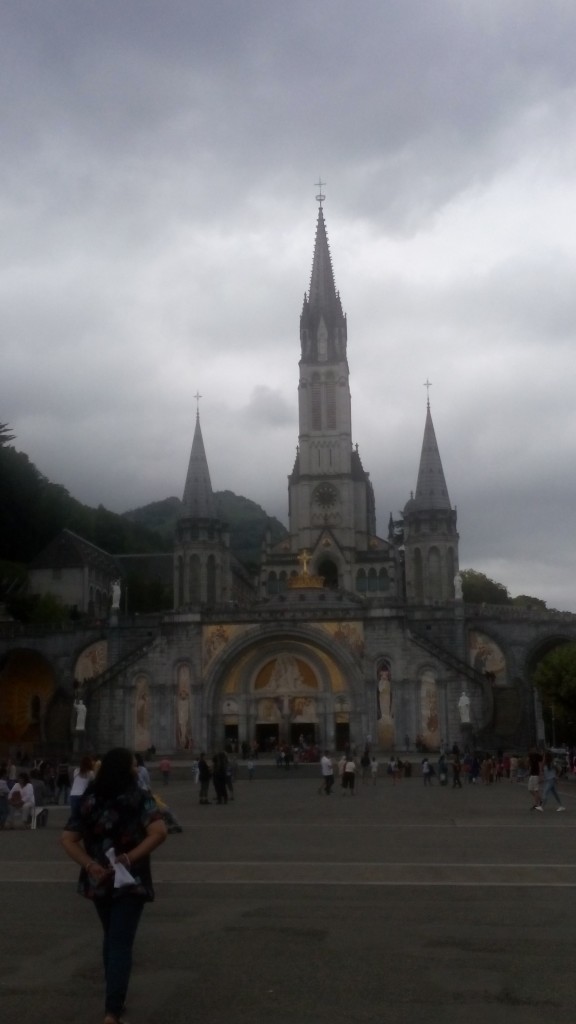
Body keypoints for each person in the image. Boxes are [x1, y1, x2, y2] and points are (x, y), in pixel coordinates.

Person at [60, 747, 167, 1024]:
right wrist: (130, 858)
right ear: (126, 769)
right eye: (133, 765)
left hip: (99, 879)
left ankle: (114, 999)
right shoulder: (139, 798)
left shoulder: (89, 800)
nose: (136, 768)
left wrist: (89, 864)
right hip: (130, 880)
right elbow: (160, 832)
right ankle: (112, 1012)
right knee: (120, 943)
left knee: (111, 938)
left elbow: (67, 839)